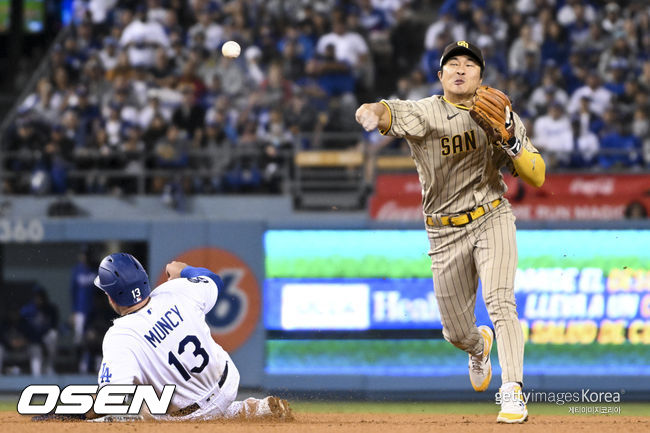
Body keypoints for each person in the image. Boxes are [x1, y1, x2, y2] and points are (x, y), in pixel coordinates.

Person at [354, 41, 546, 424]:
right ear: (440, 76)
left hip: (492, 215)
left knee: (500, 300)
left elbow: (537, 175)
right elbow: (387, 110)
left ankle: (512, 392)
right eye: (452, 64)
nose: (461, 69)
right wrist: (370, 112)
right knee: (456, 332)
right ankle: (478, 346)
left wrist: (510, 139)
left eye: (470, 65)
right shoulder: (427, 111)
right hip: (444, 231)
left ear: (480, 76)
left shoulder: (500, 111)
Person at [92, 252, 292, 421]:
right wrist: (185, 270)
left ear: (110, 296)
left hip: (187, 416)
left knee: (138, 405)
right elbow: (215, 281)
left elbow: (112, 400)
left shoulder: (119, 336)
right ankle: (249, 410)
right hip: (228, 383)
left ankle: (233, 412)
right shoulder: (175, 290)